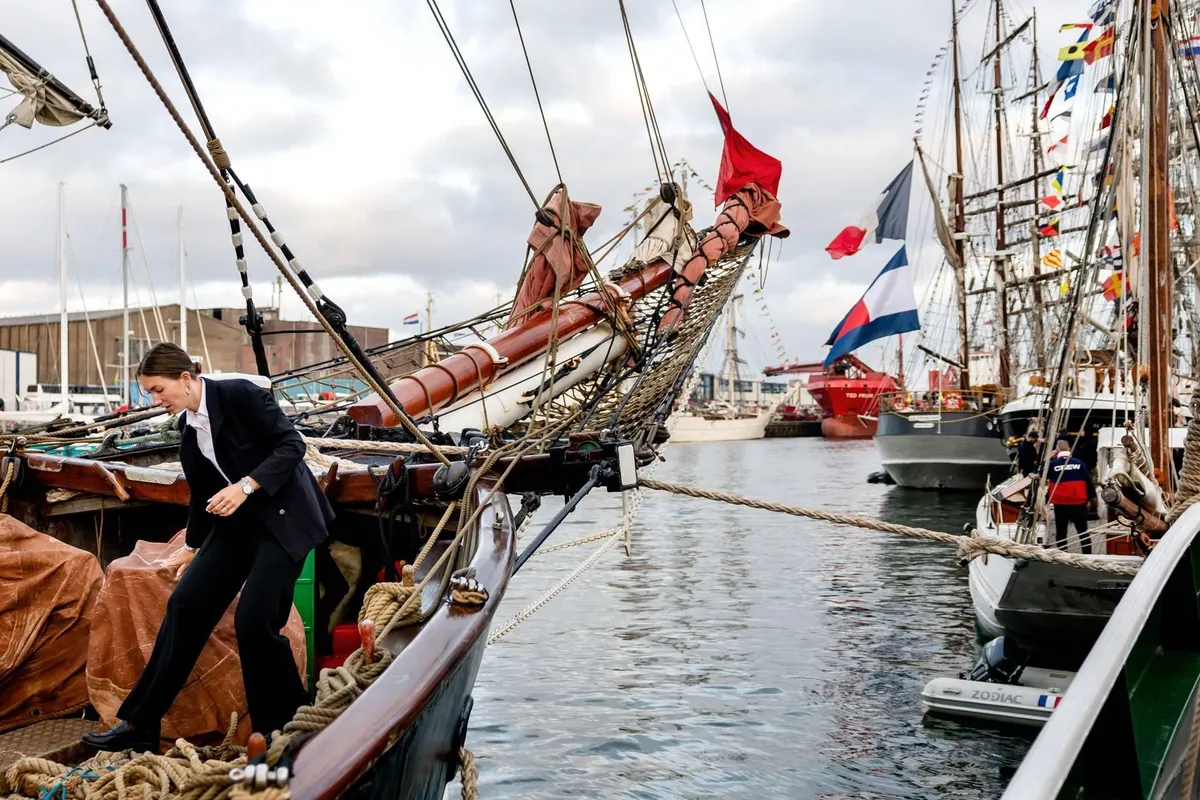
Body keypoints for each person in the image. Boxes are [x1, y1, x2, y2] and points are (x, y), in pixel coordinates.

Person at [82, 343, 334, 752]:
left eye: (158, 389)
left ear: (185, 378)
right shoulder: (189, 428)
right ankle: (140, 723)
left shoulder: (240, 395)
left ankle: (286, 729)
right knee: (186, 604)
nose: (155, 400)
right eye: (149, 393)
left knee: (255, 620)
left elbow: (291, 446)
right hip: (238, 525)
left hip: (285, 521)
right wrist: (192, 546)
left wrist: (245, 487)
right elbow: (202, 494)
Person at [1046, 439, 1095, 554]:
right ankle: (1087, 554)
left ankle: (1063, 554)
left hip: (1061, 503)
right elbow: (1088, 481)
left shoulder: (1052, 465)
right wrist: (1091, 497)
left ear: (1057, 451)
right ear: (1069, 449)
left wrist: (1049, 458)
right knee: (1083, 531)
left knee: (1061, 531)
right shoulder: (1079, 463)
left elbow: (1041, 474)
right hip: (1079, 503)